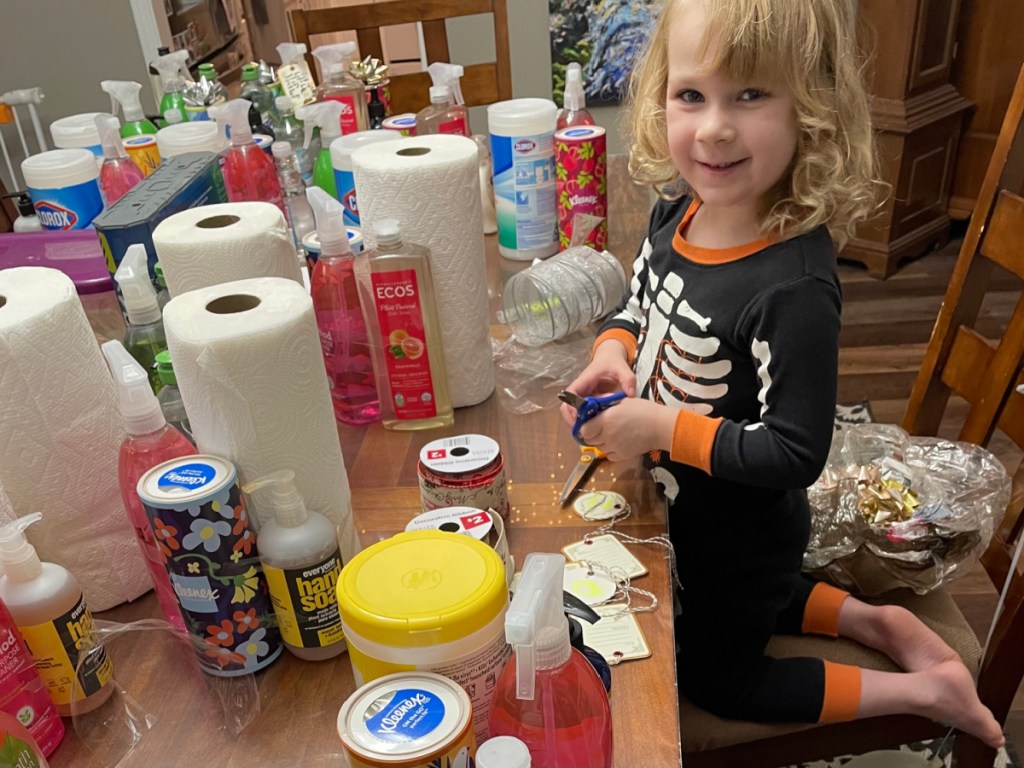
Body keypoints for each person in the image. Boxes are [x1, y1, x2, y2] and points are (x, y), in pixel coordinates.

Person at [560, 0, 1005, 748]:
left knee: (718, 677)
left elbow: (796, 453)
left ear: (814, 110)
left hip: (741, 532)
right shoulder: (678, 209)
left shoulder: (792, 286)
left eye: (752, 95)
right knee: (745, 600)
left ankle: (925, 691)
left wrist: (662, 425)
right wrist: (613, 351)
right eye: (691, 94)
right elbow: (638, 302)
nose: (714, 128)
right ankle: (873, 618)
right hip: (679, 511)